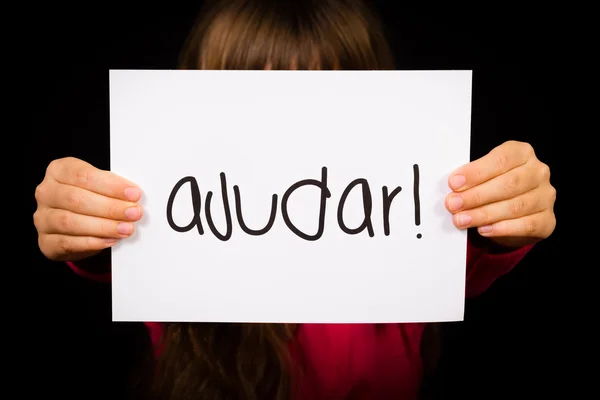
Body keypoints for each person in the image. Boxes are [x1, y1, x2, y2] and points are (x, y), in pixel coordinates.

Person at [32, 0, 557, 399]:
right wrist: (83, 220)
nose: (288, 132)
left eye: (324, 98)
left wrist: (504, 213)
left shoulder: (406, 231)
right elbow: (121, 249)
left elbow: (470, 252)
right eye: (252, 96)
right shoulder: (179, 228)